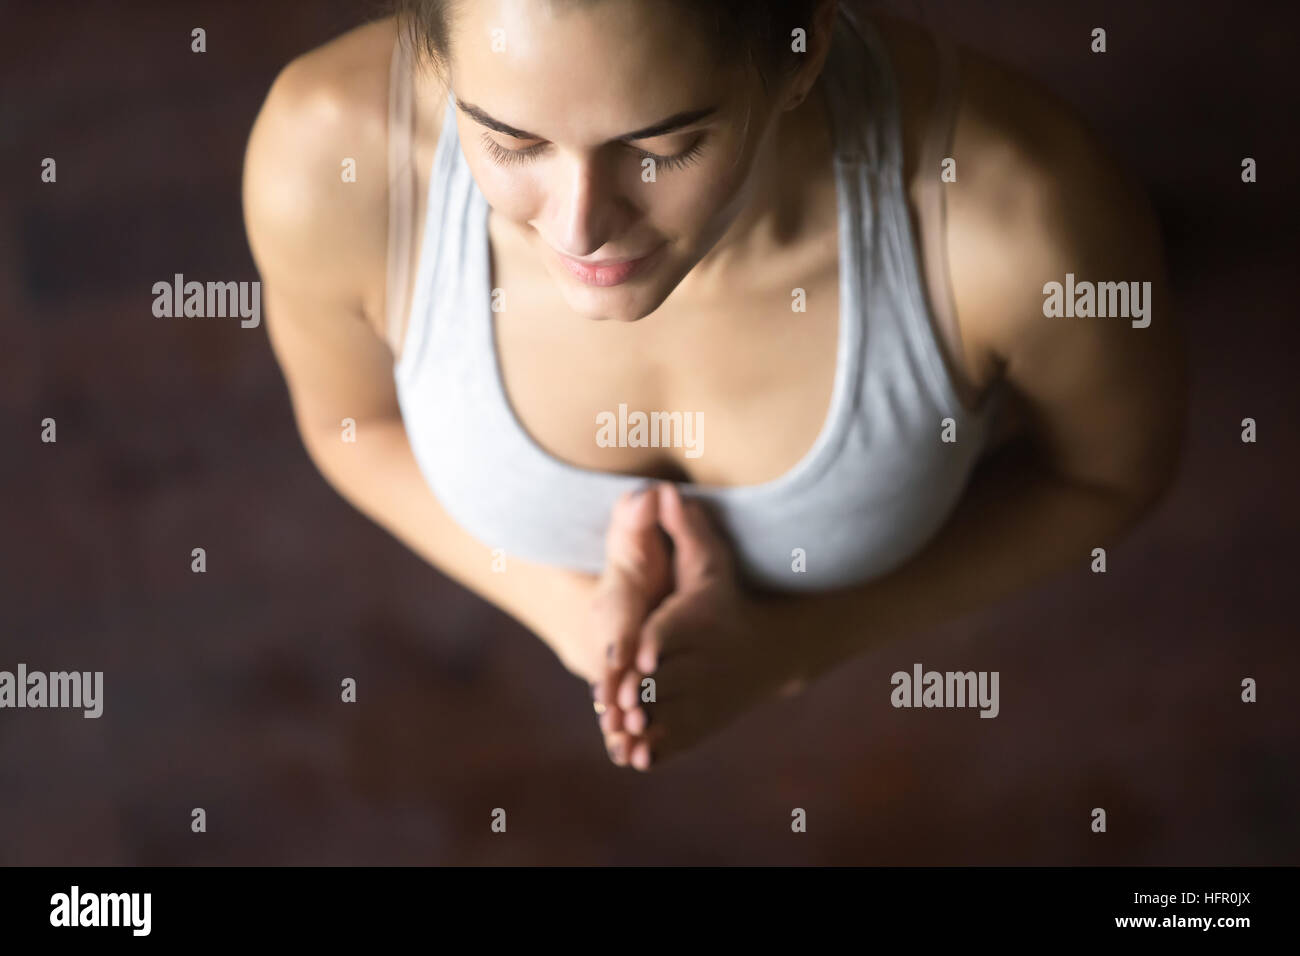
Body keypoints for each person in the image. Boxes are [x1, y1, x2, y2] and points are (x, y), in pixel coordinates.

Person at [241, 0, 1185, 773]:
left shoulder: (1028, 228)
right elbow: (350, 424)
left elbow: (1108, 476)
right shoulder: (326, 161)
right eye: (511, 141)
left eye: (663, 145)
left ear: (800, 51)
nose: (581, 227)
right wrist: (564, 612)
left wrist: (792, 652)